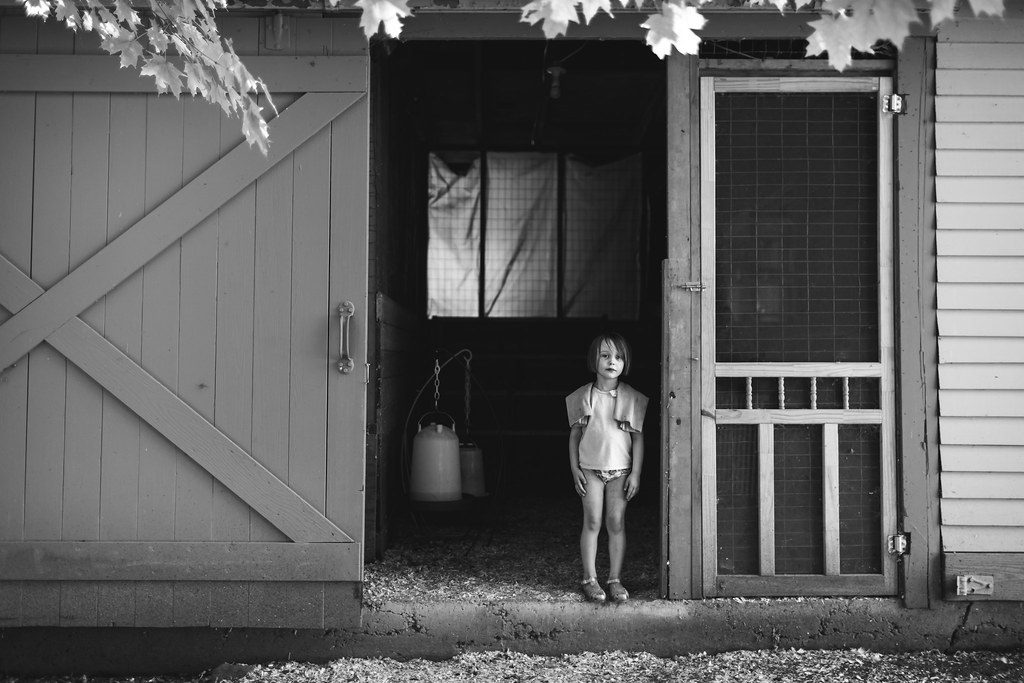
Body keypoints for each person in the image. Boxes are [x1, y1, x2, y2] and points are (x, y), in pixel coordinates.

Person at [565, 332, 648, 603]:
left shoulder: (631, 398)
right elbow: (575, 435)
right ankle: (589, 579)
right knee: (592, 521)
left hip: (620, 471)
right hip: (590, 469)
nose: (612, 361)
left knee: (615, 522)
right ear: (594, 360)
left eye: (619, 357)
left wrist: (635, 472)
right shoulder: (583, 396)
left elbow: (637, 437)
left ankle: (614, 579)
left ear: (625, 363)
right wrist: (575, 468)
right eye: (605, 355)